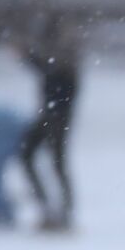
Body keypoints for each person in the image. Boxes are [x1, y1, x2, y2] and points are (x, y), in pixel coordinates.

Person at [18, 14, 80, 231]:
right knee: (32, 156)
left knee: (55, 162)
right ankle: (52, 209)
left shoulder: (65, 56)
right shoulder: (62, 54)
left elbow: (54, 72)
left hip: (57, 115)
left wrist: (30, 58)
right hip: (50, 113)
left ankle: (62, 213)